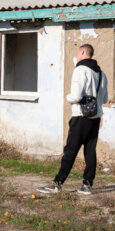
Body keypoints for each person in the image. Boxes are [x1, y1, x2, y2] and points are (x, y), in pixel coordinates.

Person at [38, 44, 107, 195]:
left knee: (70, 150)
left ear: (83, 52)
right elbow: (105, 98)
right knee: (90, 151)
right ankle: (87, 185)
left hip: (80, 117)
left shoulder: (80, 70)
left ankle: (57, 184)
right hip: (95, 118)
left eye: (77, 53)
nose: (76, 56)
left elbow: (75, 97)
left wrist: (67, 97)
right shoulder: (101, 73)